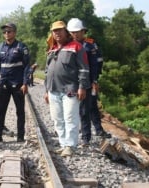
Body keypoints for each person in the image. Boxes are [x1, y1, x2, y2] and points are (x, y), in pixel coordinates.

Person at [44, 21, 90, 157]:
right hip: (53, 90)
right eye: (54, 31)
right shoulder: (52, 49)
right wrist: (46, 90)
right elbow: (47, 72)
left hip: (70, 89)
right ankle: (63, 144)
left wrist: (82, 87)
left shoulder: (76, 47)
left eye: (60, 30)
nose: (57, 33)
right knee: (57, 119)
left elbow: (84, 68)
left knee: (70, 117)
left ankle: (71, 145)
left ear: (66, 31)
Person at [66, 18, 111, 146]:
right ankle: (90, 131)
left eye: (77, 32)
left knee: (87, 108)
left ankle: (88, 136)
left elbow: (97, 64)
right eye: (73, 32)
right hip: (72, 83)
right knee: (80, 109)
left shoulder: (89, 45)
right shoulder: (68, 46)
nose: (75, 34)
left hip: (88, 82)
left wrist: (95, 81)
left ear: (83, 31)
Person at [0, 23, 30, 143]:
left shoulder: (21, 47)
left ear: (15, 33)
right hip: (4, 83)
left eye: (9, 31)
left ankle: (20, 136)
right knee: (0, 110)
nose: (6, 34)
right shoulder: (0, 47)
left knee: (20, 111)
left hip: (17, 84)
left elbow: (27, 66)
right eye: (4, 32)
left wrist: (25, 83)